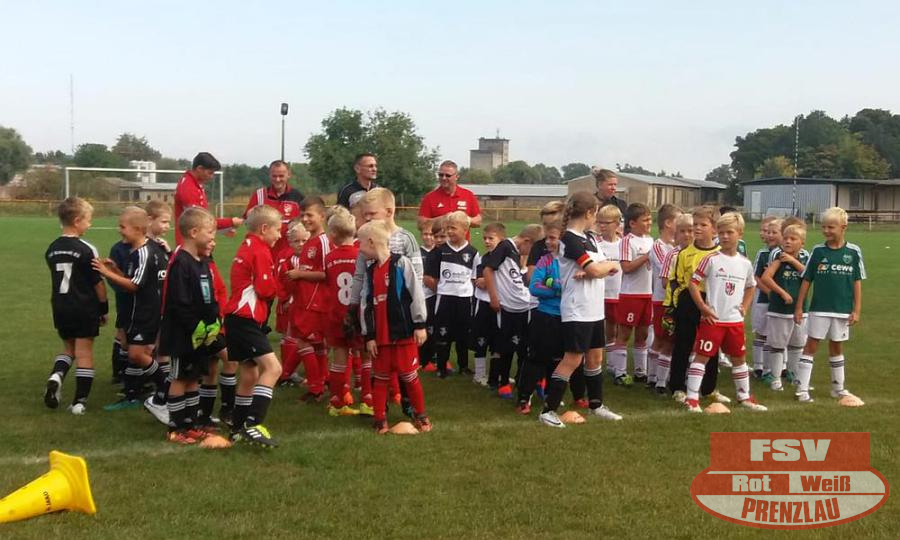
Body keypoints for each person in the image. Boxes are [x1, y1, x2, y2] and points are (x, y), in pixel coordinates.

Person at [539, 191, 622, 428]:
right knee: (573, 359)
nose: (596, 219)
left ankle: (596, 405)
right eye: (595, 214)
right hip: (577, 310)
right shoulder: (570, 239)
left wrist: (599, 268)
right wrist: (607, 266)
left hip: (595, 308)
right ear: (589, 213)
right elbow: (599, 269)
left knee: (596, 357)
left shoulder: (590, 239)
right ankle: (548, 410)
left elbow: (598, 268)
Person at [94, 207, 170, 424]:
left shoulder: (144, 252)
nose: (120, 230)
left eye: (122, 227)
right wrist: (116, 270)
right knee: (136, 353)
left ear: (137, 229)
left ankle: (165, 386)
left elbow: (134, 285)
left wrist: (106, 273)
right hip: (143, 311)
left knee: (137, 354)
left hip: (145, 313)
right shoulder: (140, 251)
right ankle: (160, 389)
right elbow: (136, 280)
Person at [685, 212, 767, 413]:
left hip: (734, 321)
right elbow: (693, 283)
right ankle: (692, 399)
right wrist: (703, 307)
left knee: (739, 359)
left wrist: (745, 307)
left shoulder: (745, 263)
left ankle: (744, 397)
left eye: (729, 232)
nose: (725, 237)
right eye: (721, 233)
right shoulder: (711, 259)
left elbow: (751, 286)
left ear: (740, 233)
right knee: (701, 357)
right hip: (713, 320)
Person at [158, 208, 225, 444]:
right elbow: (179, 301)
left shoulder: (202, 260)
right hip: (182, 333)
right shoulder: (180, 263)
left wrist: (213, 321)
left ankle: (191, 424)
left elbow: (209, 296)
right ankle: (175, 427)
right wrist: (195, 326)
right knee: (179, 378)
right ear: (194, 232)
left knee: (194, 377)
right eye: (210, 232)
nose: (212, 237)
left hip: (202, 333)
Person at [358, 220, 432, 434]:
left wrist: (419, 323)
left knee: (410, 377)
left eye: (361, 244)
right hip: (380, 337)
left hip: (403, 335)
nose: (359, 249)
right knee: (380, 379)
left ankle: (421, 416)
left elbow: (415, 293)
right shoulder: (371, 271)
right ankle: (380, 420)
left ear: (371, 242)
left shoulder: (401, 264)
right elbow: (366, 303)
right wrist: (369, 335)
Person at [224, 205, 282, 447]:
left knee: (250, 373)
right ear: (264, 228)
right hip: (245, 319)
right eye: (277, 230)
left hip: (236, 318)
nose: (279, 235)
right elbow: (265, 289)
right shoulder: (260, 251)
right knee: (273, 368)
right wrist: (282, 285)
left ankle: (237, 427)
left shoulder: (246, 245)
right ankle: (253, 423)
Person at [43, 197, 108, 415]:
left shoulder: (51, 248)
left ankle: (56, 376)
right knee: (84, 353)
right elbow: (98, 283)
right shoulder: (87, 249)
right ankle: (79, 403)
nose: (89, 225)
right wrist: (104, 308)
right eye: (88, 220)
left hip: (60, 306)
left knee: (68, 348)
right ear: (78, 220)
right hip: (84, 307)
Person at [794, 207, 865, 404]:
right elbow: (806, 280)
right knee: (811, 345)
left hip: (842, 310)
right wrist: (800, 307)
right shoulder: (818, 251)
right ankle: (802, 389)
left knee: (836, 346)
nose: (826, 231)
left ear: (843, 227)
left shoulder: (853, 252)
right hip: (819, 309)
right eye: (824, 227)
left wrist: (856, 309)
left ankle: (838, 388)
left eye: (831, 227)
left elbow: (857, 282)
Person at [668, 206, 727, 404]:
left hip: (712, 301)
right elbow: (675, 281)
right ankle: (677, 387)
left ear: (715, 229)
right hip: (688, 301)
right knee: (683, 344)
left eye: (703, 225)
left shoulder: (721, 253)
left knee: (711, 346)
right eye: (695, 225)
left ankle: (709, 388)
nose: (697, 229)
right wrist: (673, 306)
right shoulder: (685, 254)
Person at [482, 223, 541, 398]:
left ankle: (519, 380)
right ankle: (503, 383)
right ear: (527, 241)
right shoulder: (505, 246)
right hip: (506, 306)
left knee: (521, 344)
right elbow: (487, 270)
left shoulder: (513, 252)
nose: (529, 254)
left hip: (520, 305)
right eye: (531, 249)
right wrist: (494, 297)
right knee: (504, 345)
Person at [324, 207, 371, 417]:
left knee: (339, 359)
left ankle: (337, 403)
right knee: (367, 357)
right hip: (358, 314)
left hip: (336, 314)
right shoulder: (361, 256)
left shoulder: (330, 257)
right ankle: (368, 401)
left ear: (332, 235)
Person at [287, 197, 333, 403]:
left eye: (310, 215)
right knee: (316, 344)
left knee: (304, 341)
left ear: (322, 216)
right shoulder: (311, 241)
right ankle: (322, 380)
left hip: (316, 302)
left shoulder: (323, 241)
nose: (305, 219)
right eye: (303, 215)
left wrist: (299, 275)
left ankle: (315, 387)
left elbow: (327, 274)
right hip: (305, 299)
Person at [424, 211, 479, 379]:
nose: (449, 232)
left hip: (464, 299)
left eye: (453, 228)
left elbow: (475, 278)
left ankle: (463, 366)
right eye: (447, 228)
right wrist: (442, 289)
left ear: (465, 229)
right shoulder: (439, 251)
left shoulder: (473, 252)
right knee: (443, 334)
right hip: (445, 298)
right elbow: (431, 277)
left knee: (463, 335)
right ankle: (441, 367)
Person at [517, 221, 564, 414]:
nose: (548, 242)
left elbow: (574, 288)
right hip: (544, 316)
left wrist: (552, 283)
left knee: (558, 360)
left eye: (553, 238)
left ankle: (550, 397)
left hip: (566, 317)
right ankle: (523, 398)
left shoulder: (572, 261)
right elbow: (535, 287)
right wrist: (558, 287)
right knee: (535, 359)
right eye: (547, 238)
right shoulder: (546, 261)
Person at [759, 222, 809, 392]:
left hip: (800, 309)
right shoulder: (779, 257)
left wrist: (793, 261)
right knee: (778, 345)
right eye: (785, 238)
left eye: (792, 239)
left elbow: (809, 275)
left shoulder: (804, 258)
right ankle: (775, 378)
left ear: (802, 243)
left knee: (797, 344)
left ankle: (794, 376)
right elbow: (766, 277)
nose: (787, 241)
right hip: (779, 310)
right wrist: (781, 293)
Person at [614, 203, 655, 384]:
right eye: (644, 220)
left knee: (643, 334)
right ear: (632, 223)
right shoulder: (627, 241)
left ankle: (641, 371)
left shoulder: (651, 240)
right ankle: (619, 373)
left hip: (648, 294)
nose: (649, 223)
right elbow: (626, 267)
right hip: (631, 295)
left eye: (650, 219)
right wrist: (647, 256)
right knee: (624, 334)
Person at [655, 213, 693, 392]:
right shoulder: (673, 254)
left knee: (691, 343)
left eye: (690, 231)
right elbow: (664, 281)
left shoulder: (698, 254)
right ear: (675, 234)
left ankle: (687, 379)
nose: (687, 235)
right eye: (682, 231)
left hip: (693, 305)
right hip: (673, 305)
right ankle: (660, 382)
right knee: (668, 342)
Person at [174, 152, 243, 245]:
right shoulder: (188, 188)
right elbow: (199, 221)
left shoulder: (194, 184)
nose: (211, 177)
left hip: (195, 243)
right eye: (210, 173)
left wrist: (222, 230)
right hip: (191, 246)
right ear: (199, 169)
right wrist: (230, 222)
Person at [648, 204, 681, 389]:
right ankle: (654, 378)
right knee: (662, 339)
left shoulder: (673, 247)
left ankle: (658, 376)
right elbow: (668, 275)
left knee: (669, 339)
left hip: (674, 301)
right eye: (679, 219)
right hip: (663, 300)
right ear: (668, 223)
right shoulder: (659, 247)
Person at [273, 220, 310, 387]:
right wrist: (286, 299)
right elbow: (278, 282)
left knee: (302, 336)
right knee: (288, 336)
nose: (301, 244)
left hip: (305, 304)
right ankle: (288, 373)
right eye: (297, 241)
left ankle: (293, 371)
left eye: (304, 240)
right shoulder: (284, 258)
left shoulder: (309, 257)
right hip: (288, 303)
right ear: (289, 241)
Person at [244, 160, 305, 255]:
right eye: (274, 176)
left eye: (281, 176)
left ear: (289, 175)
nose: (277, 179)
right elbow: (248, 222)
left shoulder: (297, 197)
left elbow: (304, 225)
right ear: (269, 175)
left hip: (289, 255)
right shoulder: (259, 195)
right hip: (264, 253)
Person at [595, 205, 624, 385]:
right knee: (598, 330)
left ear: (617, 223)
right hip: (599, 294)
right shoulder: (596, 243)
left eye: (606, 223)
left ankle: (613, 366)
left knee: (615, 329)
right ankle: (593, 363)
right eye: (600, 222)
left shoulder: (624, 243)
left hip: (618, 293)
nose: (602, 226)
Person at [417, 160, 483, 237]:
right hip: (438, 246)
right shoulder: (429, 197)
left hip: (461, 247)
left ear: (457, 177)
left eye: (448, 175)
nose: (444, 178)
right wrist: (443, 219)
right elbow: (421, 224)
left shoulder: (468, 195)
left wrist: (463, 219)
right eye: (441, 175)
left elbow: (478, 222)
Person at [751, 216, 781, 380]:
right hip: (764, 300)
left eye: (774, 232)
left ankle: (774, 369)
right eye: (767, 232)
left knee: (775, 335)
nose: (769, 235)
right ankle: (758, 367)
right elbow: (755, 277)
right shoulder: (762, 253)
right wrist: (769, 292)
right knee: (762, 332)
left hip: (781, 303)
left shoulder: (786, 255)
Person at [471, 220, 499, 386]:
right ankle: (479, 374)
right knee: (481, 339)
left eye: (491, 238)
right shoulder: (484, 259)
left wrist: (490, 282)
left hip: (500, 305)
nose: (487, 241)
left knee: (497, 340)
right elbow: (480, 282)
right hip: (483, 303)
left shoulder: (507, 258)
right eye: (485, 238)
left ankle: (496, 375)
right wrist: (491, 282)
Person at [417, 218, 437, 373]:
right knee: (420, 327)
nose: (429, 237)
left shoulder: (440, 252)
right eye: (425, 234)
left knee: (434, 328)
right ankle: (421, 359)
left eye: (432, 234)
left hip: (434, 295)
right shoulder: (417, 252)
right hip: (420, 296)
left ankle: (432, 357)